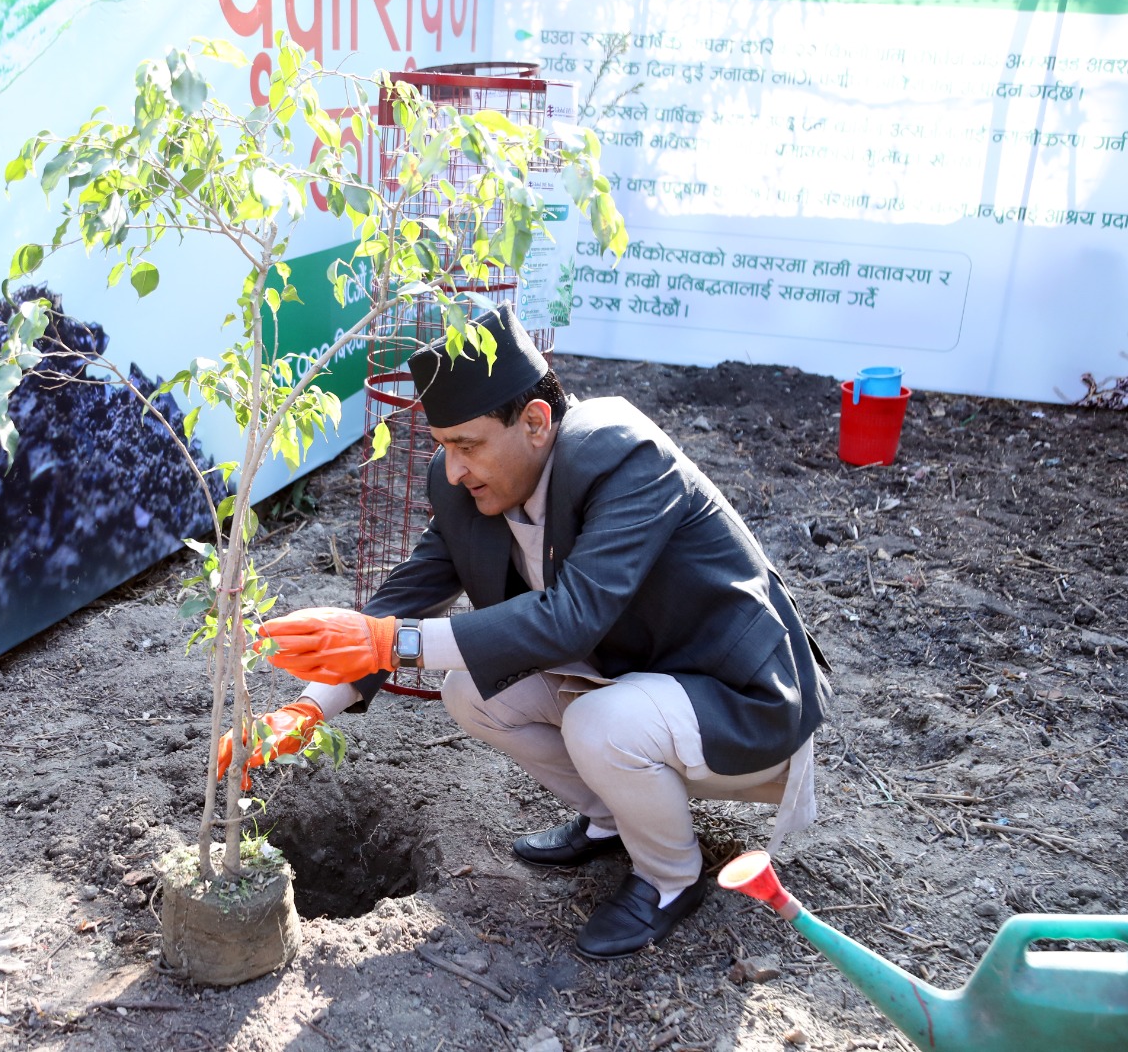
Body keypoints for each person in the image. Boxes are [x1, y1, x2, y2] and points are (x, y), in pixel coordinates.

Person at [219, 303, 830, 959]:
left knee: (602, 725)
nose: (453, 470)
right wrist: (308, 707)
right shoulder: (471, 488)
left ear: (536, 422)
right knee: (472, 691)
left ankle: (670, 878)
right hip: (634, 680)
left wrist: (393, 643)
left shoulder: (628, 459)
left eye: (468, 445)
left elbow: (574, 616)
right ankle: (610, 822)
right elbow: (402, 601)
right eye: (443, 446)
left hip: (742, 703)